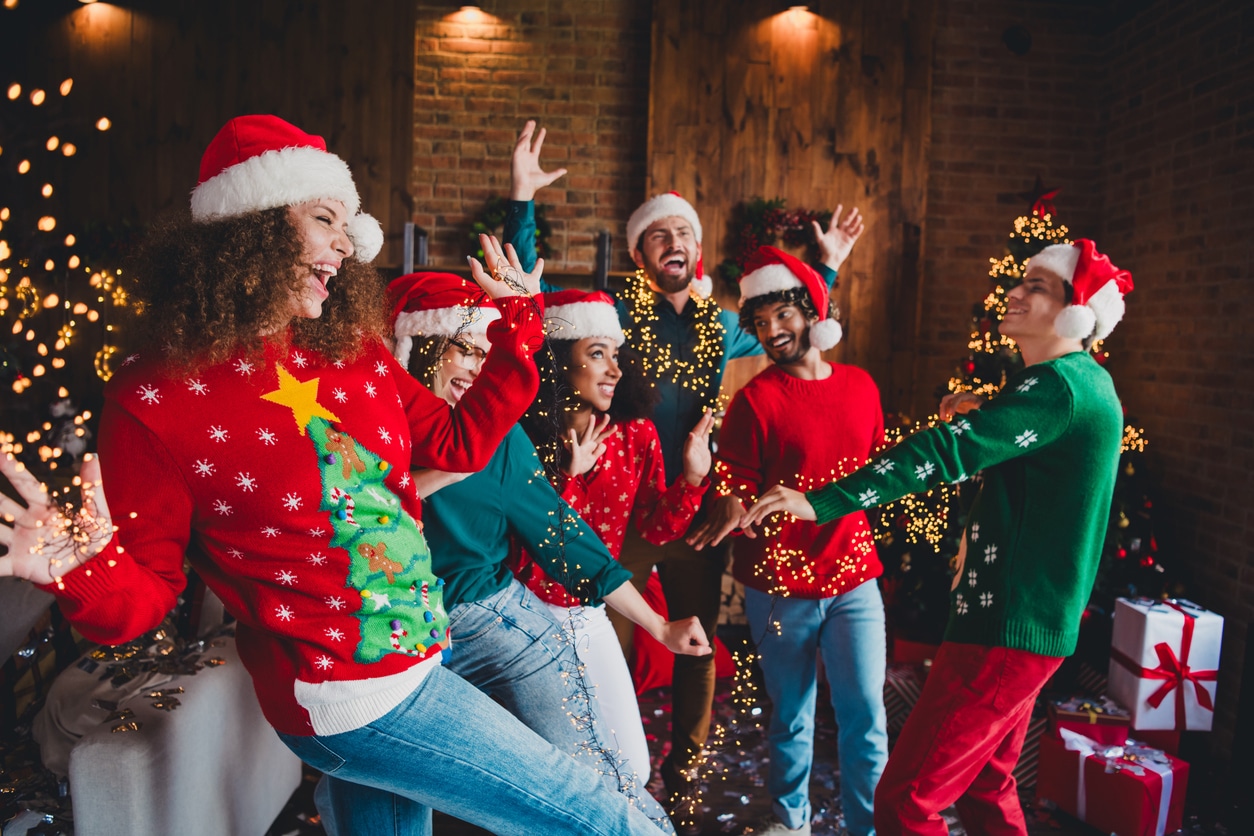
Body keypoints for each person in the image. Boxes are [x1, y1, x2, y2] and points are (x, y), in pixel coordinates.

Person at [0, 115, 672, 836]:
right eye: (326, 218)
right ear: (251, 228)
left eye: (347, 223)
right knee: (606, 817)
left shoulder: (352, 349)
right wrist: (81, 570)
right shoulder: (152, 398)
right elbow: (146, 599)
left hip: (416, 654)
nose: (349, 244)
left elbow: (457, 440)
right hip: (351, 698)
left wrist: (517, 329)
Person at [502, 120, 865, 827]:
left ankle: (686, 777)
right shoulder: (615, 312)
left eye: (685, 235)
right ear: (640, 252)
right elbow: (526, 295)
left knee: (695, 635)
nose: (676, 244)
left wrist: (826, 270)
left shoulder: (714, 323)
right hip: (615, 505)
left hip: (692, 504)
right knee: (594, 638)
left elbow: (780, 323)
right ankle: (593, 764)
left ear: (697, 251)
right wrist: (522, 199)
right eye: (660, 235)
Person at [738, 239, 1133, 835]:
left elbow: (946, 450)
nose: (1016, 292)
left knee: (904, 801)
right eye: (1020, 281)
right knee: (986, 784)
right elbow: (1035, 447)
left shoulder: (1058, 387)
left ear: (1077, 314)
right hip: (1023, 624)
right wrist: (986, 407)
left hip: (1004, 628)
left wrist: (821, 502)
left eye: (1038, 287)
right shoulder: (1071, 384)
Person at [686, 245, 888, 836]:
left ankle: (865, 827)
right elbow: (737, 484)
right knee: (792, 718)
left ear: (811, 313)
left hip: (855, 580)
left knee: (865, 717)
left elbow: (876, 476)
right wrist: (726, 496)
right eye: (760, 322)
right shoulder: (755, 401)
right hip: (778, 585)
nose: (773, 332)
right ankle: (789, 821)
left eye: (784, 316)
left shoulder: (862, 387)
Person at [514, 288, 714, 786]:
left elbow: (654, 528)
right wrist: (566, 475)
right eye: (596, 354)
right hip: (520, 616)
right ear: (560, 362)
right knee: (542, 763)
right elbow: (534, 539)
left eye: (616, 355)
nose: (614, 369)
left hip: (590, 610)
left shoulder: (636, 434)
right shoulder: (523, 432)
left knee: (632, 766)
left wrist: (692, 480)